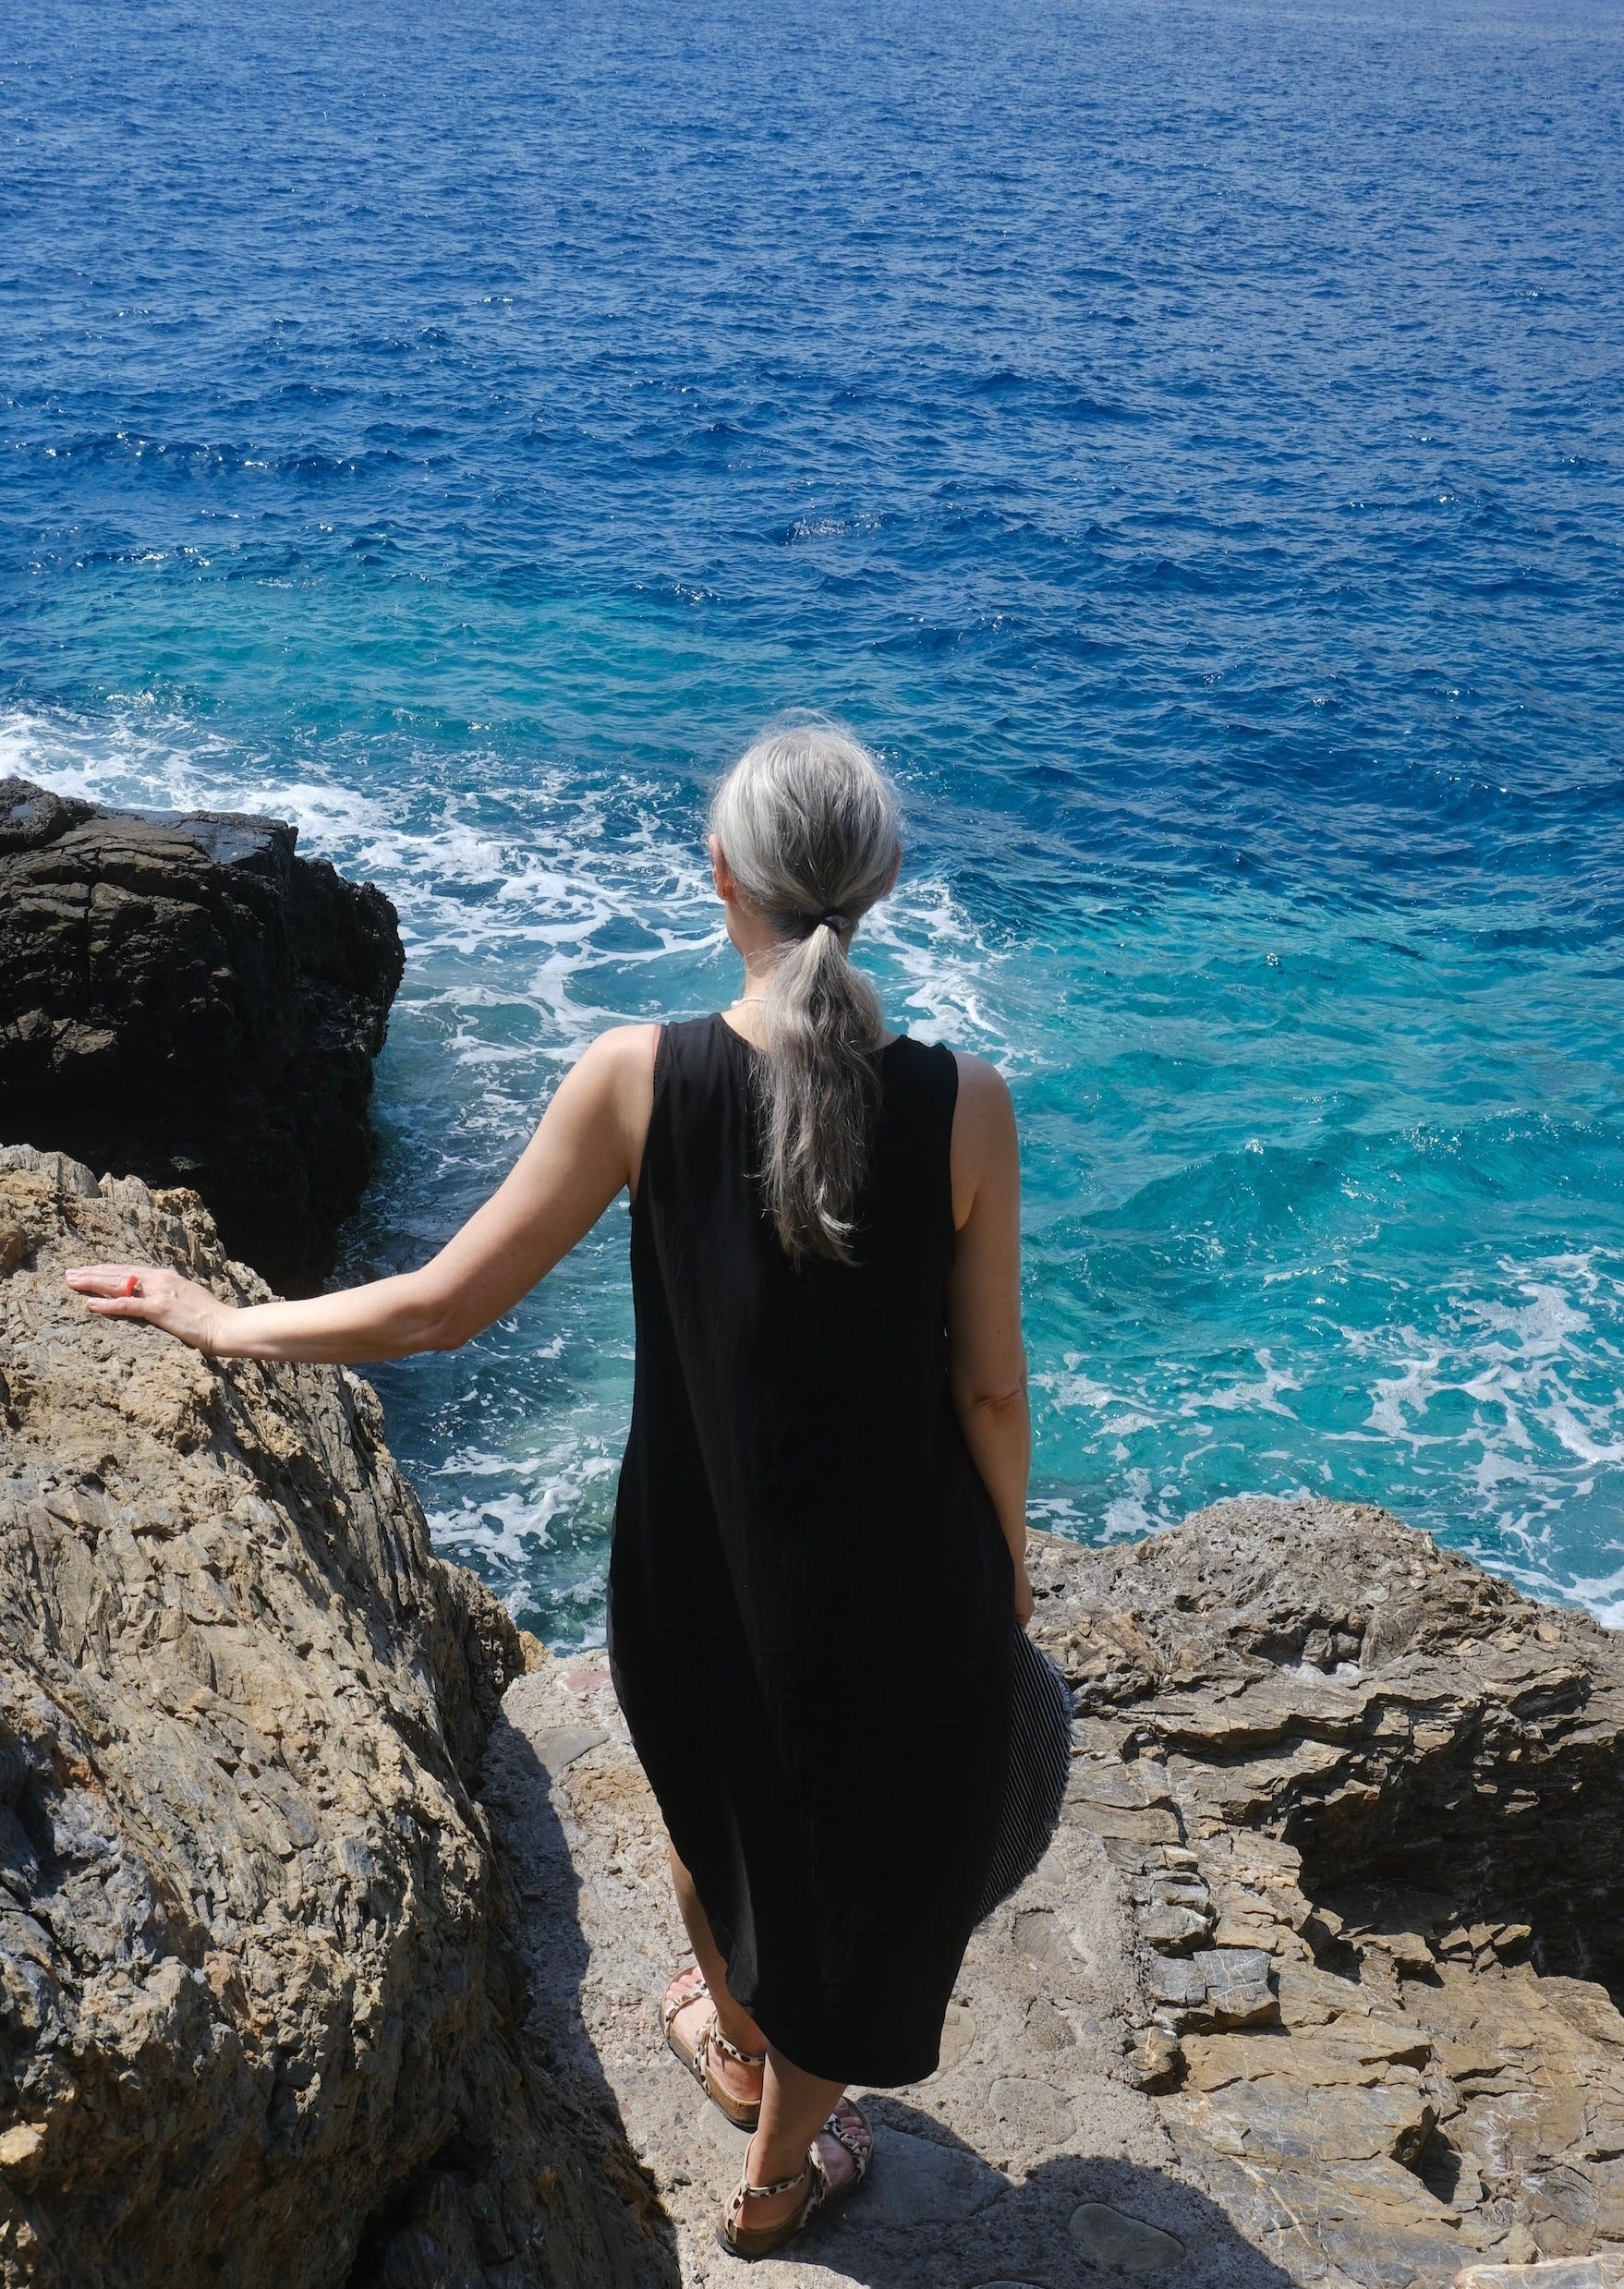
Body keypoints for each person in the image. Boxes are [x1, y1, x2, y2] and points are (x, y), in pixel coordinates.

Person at [67, 720, 1068, 2261]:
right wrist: (1003, 1552)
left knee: (711, 1803)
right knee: (847, 1880)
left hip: (695, 1570)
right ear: (873, 886)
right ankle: (785, 2168)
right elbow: (989, 1389)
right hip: (900, 1575)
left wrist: (222, 1319)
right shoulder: (967, 1102)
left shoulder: (634, 1077)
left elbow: (436, 1307)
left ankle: (733, 2040)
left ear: (721, 874)